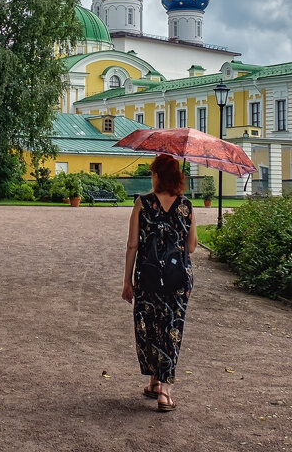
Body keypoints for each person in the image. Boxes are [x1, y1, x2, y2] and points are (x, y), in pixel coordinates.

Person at [121, 154, 197, 412]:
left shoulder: (142, 203)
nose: (151, 176)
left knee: (149, 326)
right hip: (178, 278)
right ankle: (162, 389)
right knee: (171, 328)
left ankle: (158, 383)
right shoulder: (186, 205)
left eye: (153, 172)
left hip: (148, 276)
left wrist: (127, 281)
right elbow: (192, 246)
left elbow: (132, 245)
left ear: (158, 176)